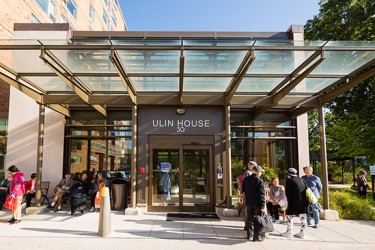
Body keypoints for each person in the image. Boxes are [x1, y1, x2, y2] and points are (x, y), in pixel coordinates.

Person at [281, 168, 308, 239]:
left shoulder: (290, 181)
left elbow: (288, 194)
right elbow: (306, 189)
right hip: (303, 202)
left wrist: (286, 203)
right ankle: (303, 233)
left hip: (293, 202)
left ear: (288, 175)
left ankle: (289, 232)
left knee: (289, 216)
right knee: (303, 217)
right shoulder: (301, 180)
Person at [242, 165, 266, 242]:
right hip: (257, 203)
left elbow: (243, 189)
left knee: (250, 219)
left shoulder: (246, 179)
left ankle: (249, 234)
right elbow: (261, 194)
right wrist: (262, 205)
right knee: (258, 220)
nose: (261, 173)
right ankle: (257, 236)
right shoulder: (259, 180)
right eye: (261, 171)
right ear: (258, 171)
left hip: (248, 202)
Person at [239, 161, 258, 231]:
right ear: (250, 166)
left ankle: (248, 224)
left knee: (248, 209)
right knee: (247, 209)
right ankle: (247, 225)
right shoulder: (248, 173)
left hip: (250, 194)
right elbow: (244, 184)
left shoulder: (251, 172)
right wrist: (242, 192)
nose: (255, 167)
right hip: (247, 194)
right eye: (254, 165)